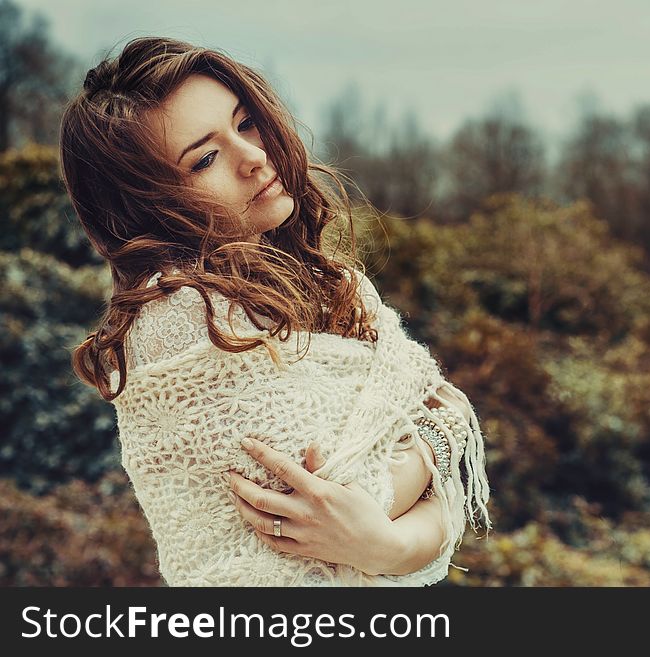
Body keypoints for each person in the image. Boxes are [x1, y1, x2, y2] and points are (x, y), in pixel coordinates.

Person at [62, 36, 491, 586]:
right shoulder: (178, 315)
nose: (254, 158)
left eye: (245, 124)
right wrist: (440, 432)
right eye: (206, 158)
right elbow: (348, 492)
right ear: (148, 203)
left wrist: (385, 545)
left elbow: (384, 523)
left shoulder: (339, 289)